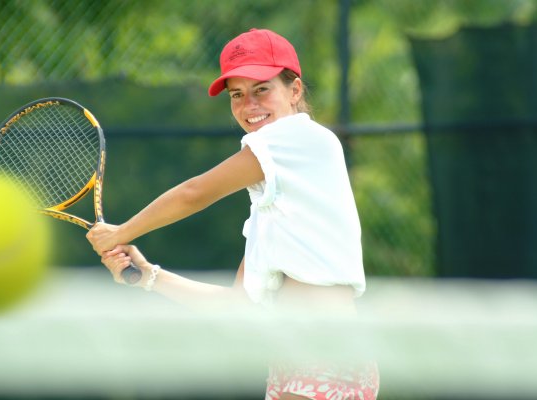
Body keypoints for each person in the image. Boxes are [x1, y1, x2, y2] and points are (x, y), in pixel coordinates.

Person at [87, 28, 379, 400]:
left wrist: (120, 232)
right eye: (237, 95)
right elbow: (238, 307)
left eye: (262, 89)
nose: (249, 105)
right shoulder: (274, 213)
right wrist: (147, 276)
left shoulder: (299, 137)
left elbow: (195, 193)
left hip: (324, 349)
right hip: (296, 360)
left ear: (294, 91)